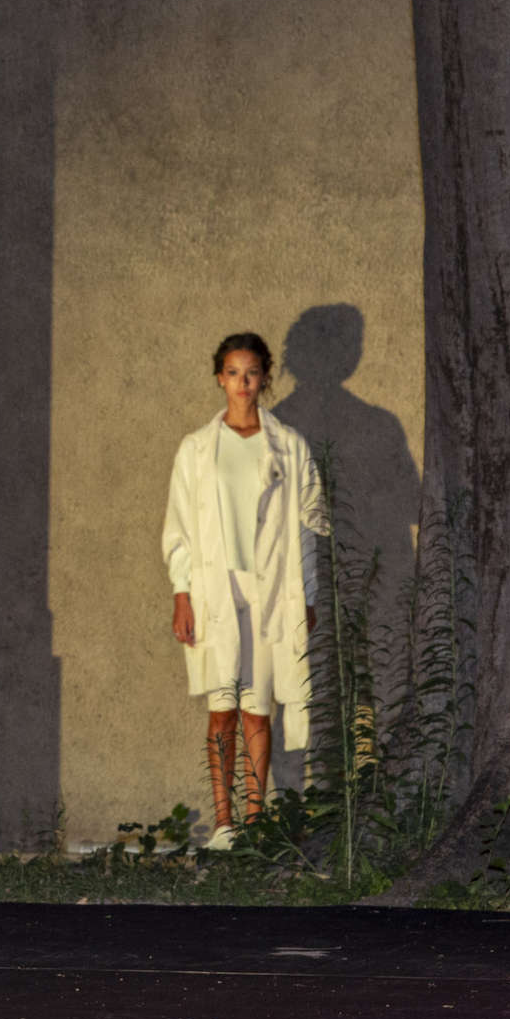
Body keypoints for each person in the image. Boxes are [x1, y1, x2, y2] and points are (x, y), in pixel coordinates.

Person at [161, 333, 326, 848]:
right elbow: (179, 527)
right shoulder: (196, 449)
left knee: (258, 707)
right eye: (233, 373)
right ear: (220, 378)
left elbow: (309, 525)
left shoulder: (289, 446)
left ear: (264, 378)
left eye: (251, 373)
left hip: (271, 588)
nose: (242, 383)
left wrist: (309, 596)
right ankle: (223, 822)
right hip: (216, 588)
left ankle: (254, 821)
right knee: (222, 706)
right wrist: (182, 593)